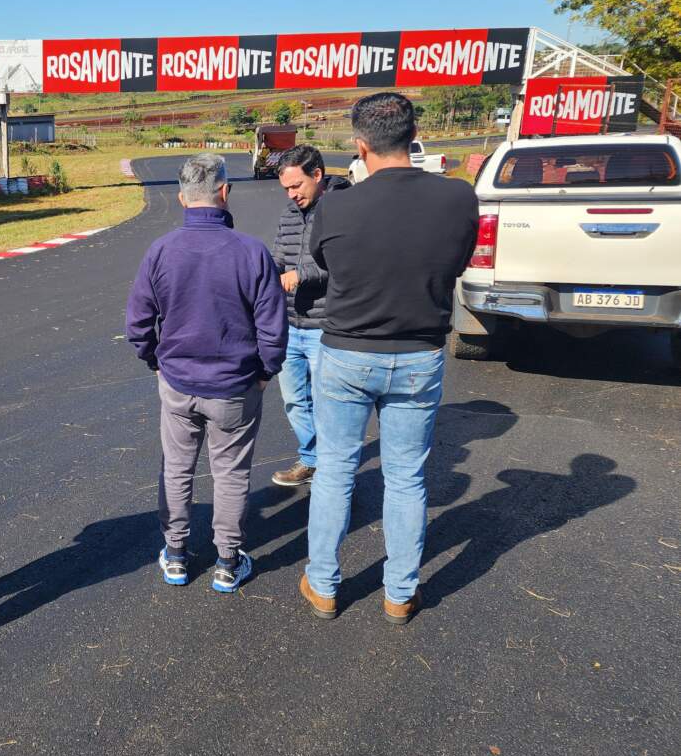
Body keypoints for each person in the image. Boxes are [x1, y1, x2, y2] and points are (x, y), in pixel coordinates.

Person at [300, 93, 477, 625]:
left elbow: (322, 259)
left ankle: (325, 585)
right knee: (406, 478)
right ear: (413, 135)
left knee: (334, 471)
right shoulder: (458, 198)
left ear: (360, 145)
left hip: (348, 353)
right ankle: (400, 593)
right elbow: (458, 261)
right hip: (420, 353)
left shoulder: (336, 203)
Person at [126, 153, 288, 593]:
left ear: (181, 198)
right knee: (231, 473)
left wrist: (154, 360)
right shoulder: (252, 252)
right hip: (235, 387)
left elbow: (138, 323)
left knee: (176, 470)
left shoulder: (161, 251)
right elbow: (273, 326)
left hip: (178, 383)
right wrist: (266, 371)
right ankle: (227, 561)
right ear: (225, 192)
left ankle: (176, 555)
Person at [268, 145, 349, 490]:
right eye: (286, 188)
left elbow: (346, 261)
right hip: (291, 324)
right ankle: (312, 459)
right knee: (295, 399)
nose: (292, 194)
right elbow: (277, 258)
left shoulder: (344, 209)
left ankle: (335, 470)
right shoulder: (289, 214)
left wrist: (301, 273)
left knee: (328, 403)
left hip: (326, 325)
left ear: (317, 175)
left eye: (297, 186)